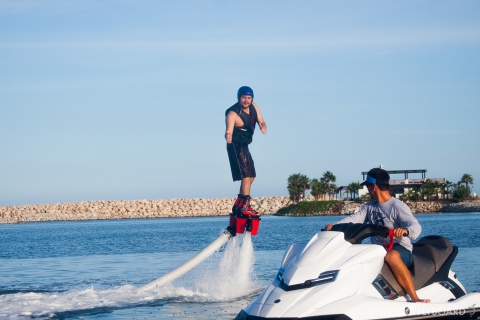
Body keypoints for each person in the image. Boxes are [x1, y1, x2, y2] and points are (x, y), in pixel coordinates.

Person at [325, 167, 430, 303]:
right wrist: (334, 226)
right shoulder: (369, 207)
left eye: (367, 187)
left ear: (373, 186)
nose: (367, 190)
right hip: (379, 250)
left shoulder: (397, 206)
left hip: (400, 249)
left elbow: (416, 227)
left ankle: (415, 298)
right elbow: (354, 219)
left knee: (391, 256)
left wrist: (405, 231)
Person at [225, 86, 267, 215]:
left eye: (249, 98)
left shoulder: (254, 107)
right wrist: (228, 135)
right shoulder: (233, 113)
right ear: (239, 98)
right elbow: (229, 130)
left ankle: (239, 204)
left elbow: (261, 120)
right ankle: (244, 206)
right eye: (244, 97)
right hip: (235, 145)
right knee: (246, 175)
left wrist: (262, 125)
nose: (246, 100)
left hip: (245, 146)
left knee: (252, 175)